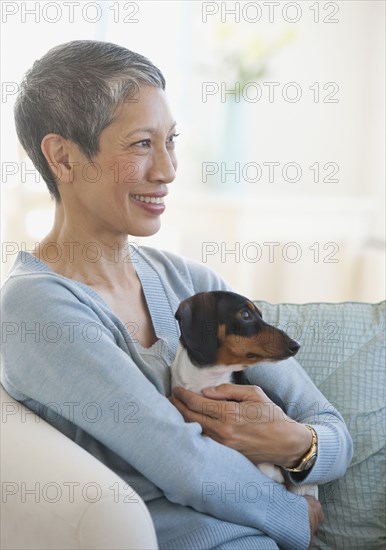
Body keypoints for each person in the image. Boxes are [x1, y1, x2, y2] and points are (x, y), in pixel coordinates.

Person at [1, 40, 352, 550]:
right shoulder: (36, 307)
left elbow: (326, 424)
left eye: (171, 141)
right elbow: (182, 462)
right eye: (142, 144)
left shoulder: (192, 283)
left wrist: (296, 443)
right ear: (63, 157)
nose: (167, 170)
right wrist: (294, 515)